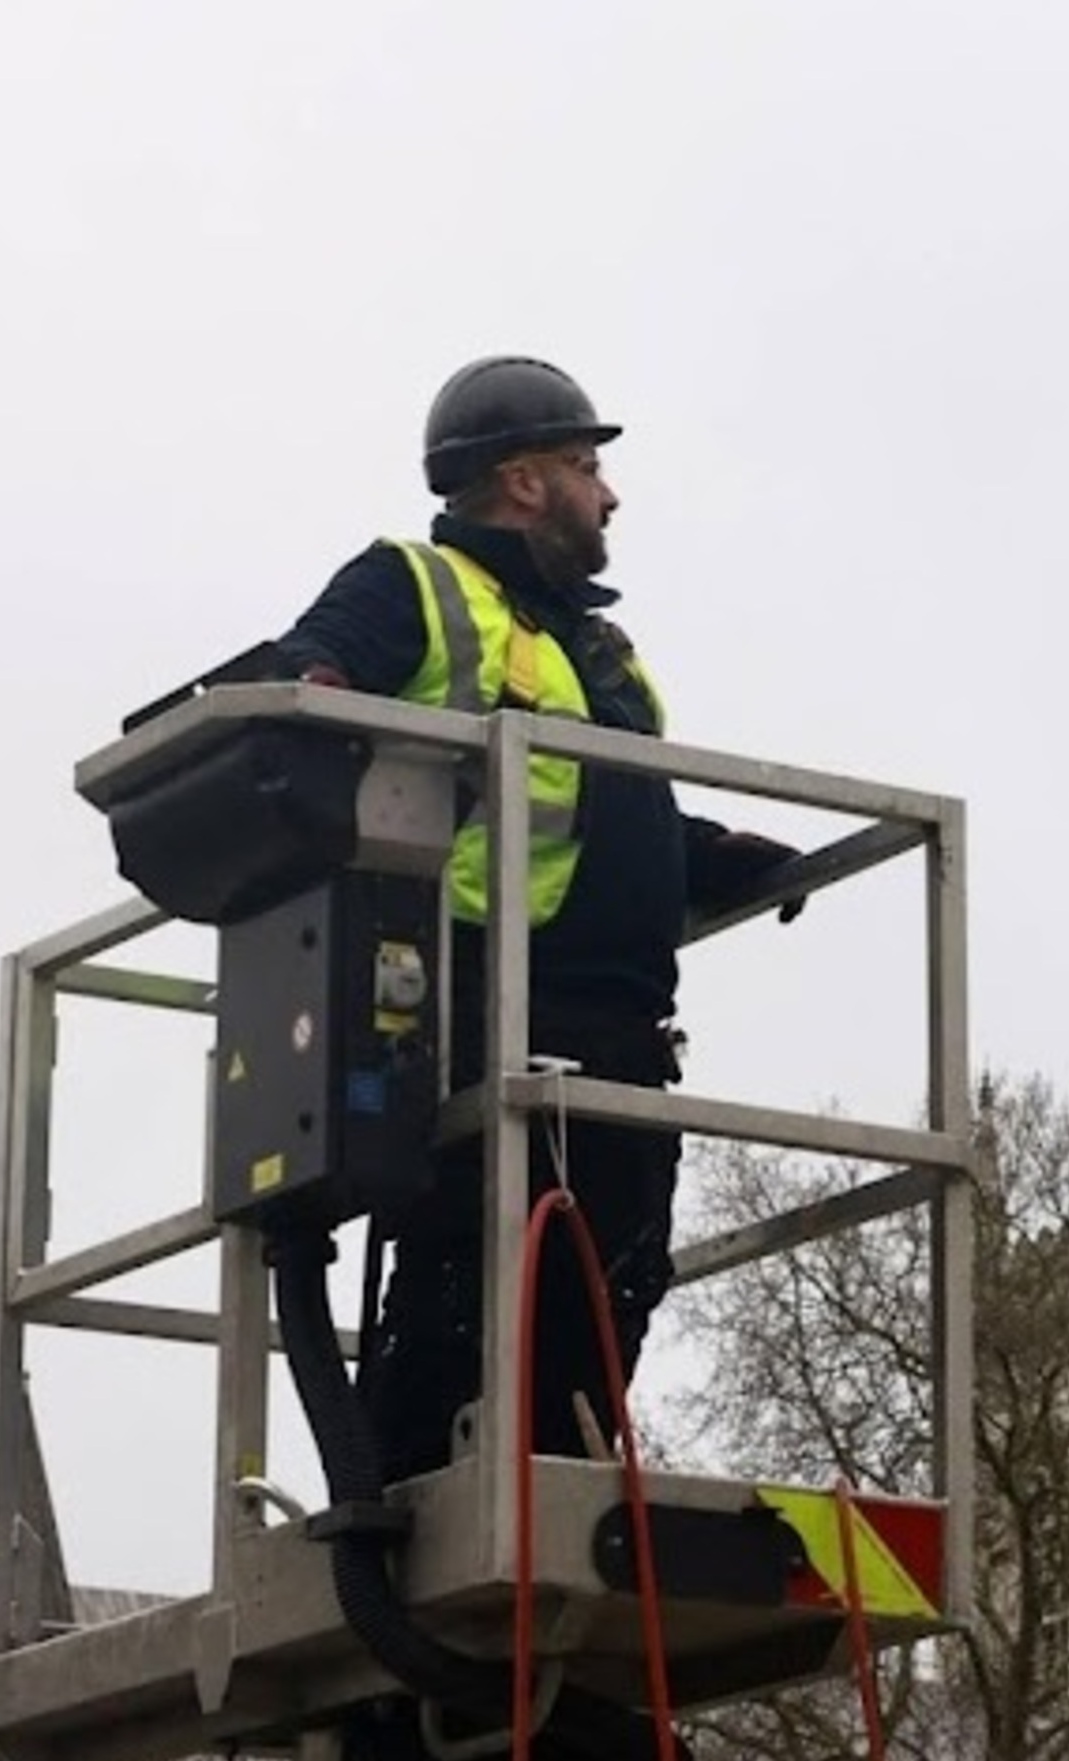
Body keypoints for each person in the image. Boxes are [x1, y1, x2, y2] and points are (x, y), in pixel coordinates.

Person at [270, 354, 804, 1478]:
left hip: (617, 1028)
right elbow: (302, 677)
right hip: (487, 1005)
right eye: (586, 465)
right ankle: (416, 1496)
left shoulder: (596, 647)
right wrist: (321, 690)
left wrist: (709, 855)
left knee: (615, 1272)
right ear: (522, 481)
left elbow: (601, 799)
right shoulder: (412, 584)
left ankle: (554, 1472)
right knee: (473, 1280)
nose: (608, 494)